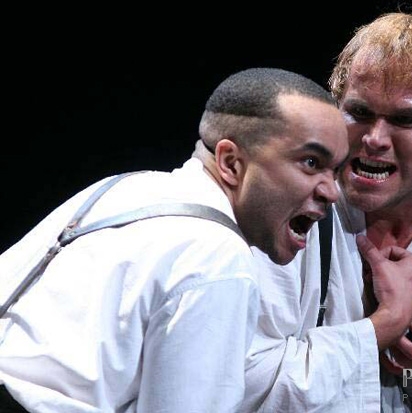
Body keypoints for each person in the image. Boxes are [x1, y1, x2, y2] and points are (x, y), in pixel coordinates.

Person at [0, 67, 354, 412]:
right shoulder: (217, 255)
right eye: (311, 162)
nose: (331, 191)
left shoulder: (119, 188)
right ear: (231, 163)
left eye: (335, 170)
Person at [245, 12, 412, 413]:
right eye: (360, 112)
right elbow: (245, 383)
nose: (375, 138)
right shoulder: (286, 211)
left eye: (405, 120)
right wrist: (384, 327)